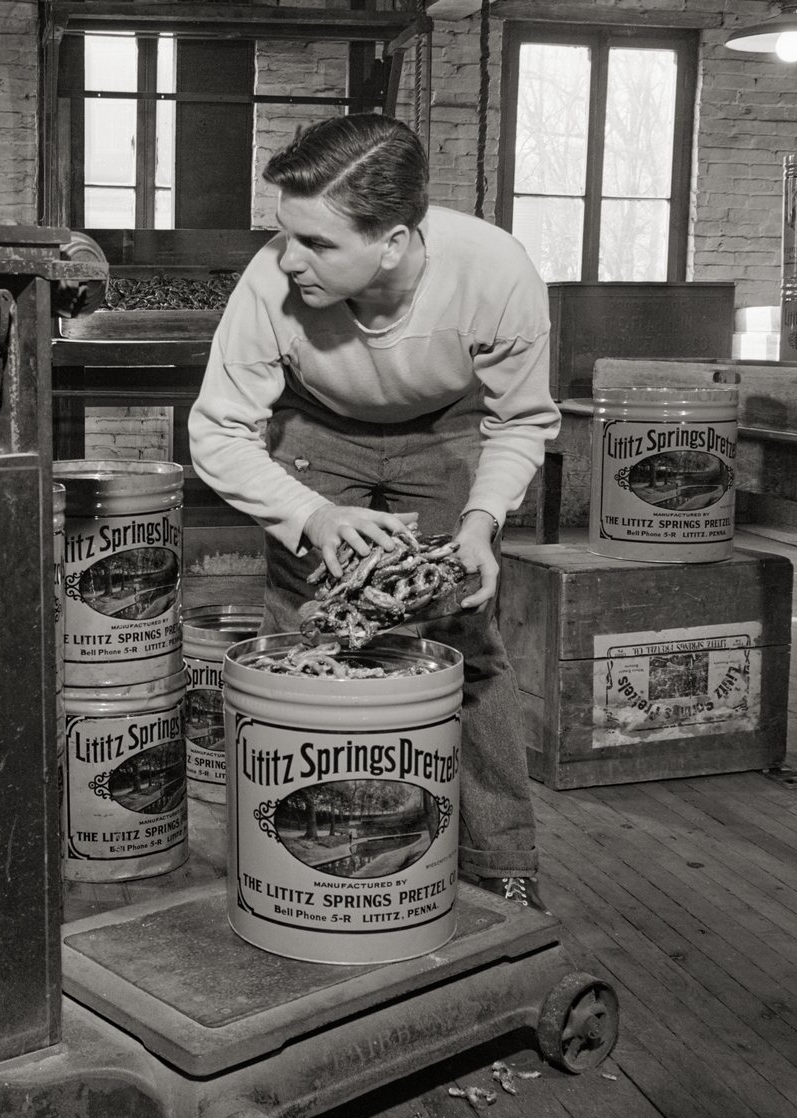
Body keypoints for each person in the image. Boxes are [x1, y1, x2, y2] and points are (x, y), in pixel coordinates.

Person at [188, 114, 561, 911]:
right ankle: (306, 848)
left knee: (465, 630)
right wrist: (312, 515)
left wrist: (481, 523)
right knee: (309, 628)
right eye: (285, 234)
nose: (289, 260)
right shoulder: (270, 281)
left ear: (391, 242)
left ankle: (500, 860)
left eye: (318, 245)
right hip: (317, 428)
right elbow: (217, 432)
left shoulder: (496, 273)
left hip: (444, 428)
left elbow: (521, 420)